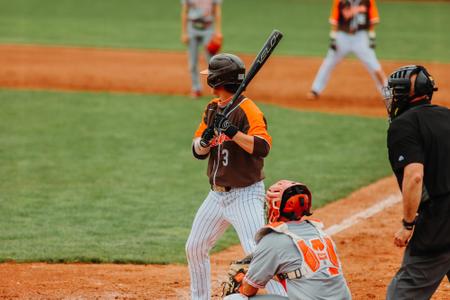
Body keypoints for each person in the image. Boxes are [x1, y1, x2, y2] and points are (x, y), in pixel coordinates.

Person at [187, 53, 286, 299]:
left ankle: (284, 298)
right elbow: (197, 150)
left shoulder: (248, 110)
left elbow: (263, 147)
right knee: (195, 247)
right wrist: (206, 141)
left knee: (259, 253)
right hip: (216, 196)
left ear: (218, 81)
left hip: (245, 195)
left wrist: (232, 132)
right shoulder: (212, 109)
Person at [383, 65, 450, 299]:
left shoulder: (404, 125)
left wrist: (408, 224)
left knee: (402, 294)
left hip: (438, 224)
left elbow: (414, 176)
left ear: (405, 95)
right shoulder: (447, 114)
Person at [224, 180, 352, 300]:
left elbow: (248, 290)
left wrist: (243, 279)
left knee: (234, 298)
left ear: (275, 208)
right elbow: (302, 271)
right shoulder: (320, 232)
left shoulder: (273, 240)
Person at [307, 0, 386, 100]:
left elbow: (373, 20)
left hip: (360, 38)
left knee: (374, 65)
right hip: (342, 37)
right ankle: (315, 90)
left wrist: (371, 38)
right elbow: (335, 21)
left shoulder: (368, 1)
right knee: (328, 62)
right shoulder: (339, 1)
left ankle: (387, 93)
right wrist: (333, 39)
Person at [181, 0, 222, 98]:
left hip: (208, 28)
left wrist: (218, 32)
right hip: (192, 28)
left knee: (212, 61)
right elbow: (185, 12)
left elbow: (217, 11)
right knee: (193, 61)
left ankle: (217, 88)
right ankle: (196, 88)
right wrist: (184, 32)